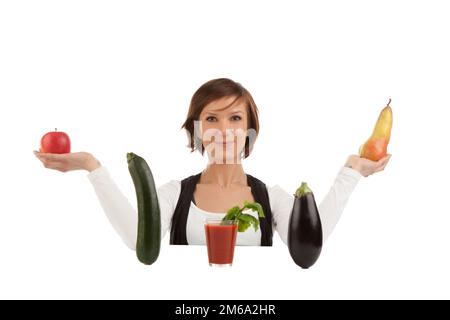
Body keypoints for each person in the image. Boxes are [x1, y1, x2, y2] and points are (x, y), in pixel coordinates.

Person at [34, 78, 391, 250]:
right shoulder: (175, 194)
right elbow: (135, 238)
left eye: (235, 119)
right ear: (197, 130)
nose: (224, 130)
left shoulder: (270, 198)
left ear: (250, 130)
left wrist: (352, 173)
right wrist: (92, 166)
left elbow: (312, 242)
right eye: (212, 119)